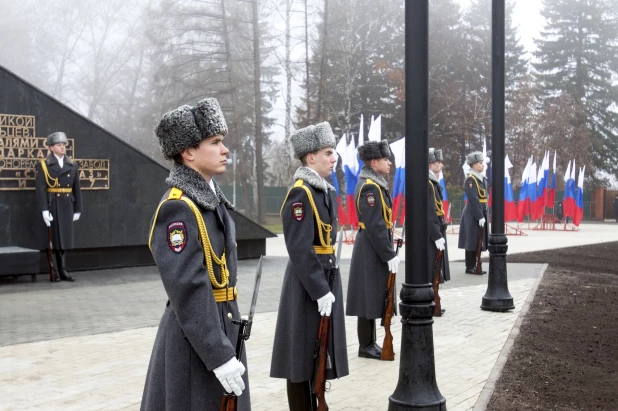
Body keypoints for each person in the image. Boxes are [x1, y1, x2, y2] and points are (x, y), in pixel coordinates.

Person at [141, 98, 250, 410]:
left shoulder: (208, 200)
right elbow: (188, 288)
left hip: (219, 328)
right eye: (215, 142)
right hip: (196, 341)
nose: (225, 149)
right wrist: (217, 353)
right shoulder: (179, 207)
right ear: (188, 153)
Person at [270, 122, 349, 410]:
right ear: (310, 157)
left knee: (317, 352)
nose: (333, 158)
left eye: (333, 152)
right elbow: (300, 248)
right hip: (307, 284)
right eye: (328, 152)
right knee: (301, 357)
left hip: (324, 279)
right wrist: (319, 289)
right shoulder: (301, 193)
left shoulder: (322, 190)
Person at [346, 140, 399, 360]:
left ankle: (370, 342)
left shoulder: (376, 184)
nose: (389, 164)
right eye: (386, 160)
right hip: (371, 247)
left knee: (373, 296)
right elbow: (375, 225)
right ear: (374, 162)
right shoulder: (370, 187)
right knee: (368, 298)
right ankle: (366, 345)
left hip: (373, 245)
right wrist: (389, 254)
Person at [35, 132, 82, 282]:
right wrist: (44, 210)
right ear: (51, 147)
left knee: (65, 239)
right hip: (52, 204)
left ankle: (63, 269)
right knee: (54, 239)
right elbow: (41, 189)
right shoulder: (43, 164)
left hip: (67, 204)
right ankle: (54, 270)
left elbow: (77, 188)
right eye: (59, 145)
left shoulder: (72, 164)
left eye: (63, 145)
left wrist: (78, 209)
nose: (62, 147)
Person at [458, 151, 488, 274]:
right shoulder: (471, 179)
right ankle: (469, 266)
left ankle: (476, 264)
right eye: (480, 163)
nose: (483, 165)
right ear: (474, 165)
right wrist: (479, 215)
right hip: (472, 212)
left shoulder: (480, 178)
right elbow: (473, 198)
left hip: (480, 211)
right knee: (471, 239)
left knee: (479, 239)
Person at [428, 148, 450, 313]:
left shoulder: (433, 182)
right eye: (437, 163)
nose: (441, 165)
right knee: (432, 268)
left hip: (437, 228)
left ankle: (434, 301)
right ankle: (431, 302)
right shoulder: (428, 183)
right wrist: (436, 235)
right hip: (431, 232)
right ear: (430, 164)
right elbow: (429, 212)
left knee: (436, 268)